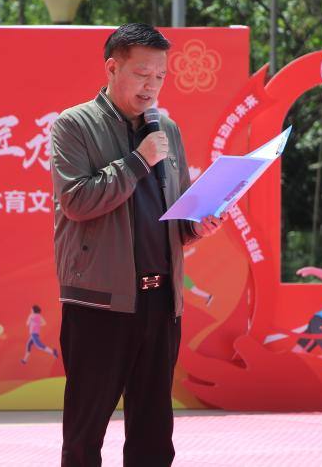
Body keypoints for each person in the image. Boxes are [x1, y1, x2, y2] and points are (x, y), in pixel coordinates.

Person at [50, 23, 225, 467]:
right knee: (86, 430)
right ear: (112, 68)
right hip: (100, 302)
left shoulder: (167, 129)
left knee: (153, 433)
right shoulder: (74, 125)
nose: (152, 86)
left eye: (160, 76)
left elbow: (173, 215)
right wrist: (138, 160)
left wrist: (197, 226)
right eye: (142, 74)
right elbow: (77, 201)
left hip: (161, 301)